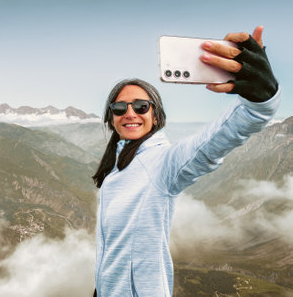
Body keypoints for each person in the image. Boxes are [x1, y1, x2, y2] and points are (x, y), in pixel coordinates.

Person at [92, 25, 280, 297]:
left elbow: (211, 143)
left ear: (155, 116)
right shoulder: (117, 166)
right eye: (120, 108)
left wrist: (261, 103)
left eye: (141, 106)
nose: (130, 113)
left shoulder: (163, 163)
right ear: (111, 118)